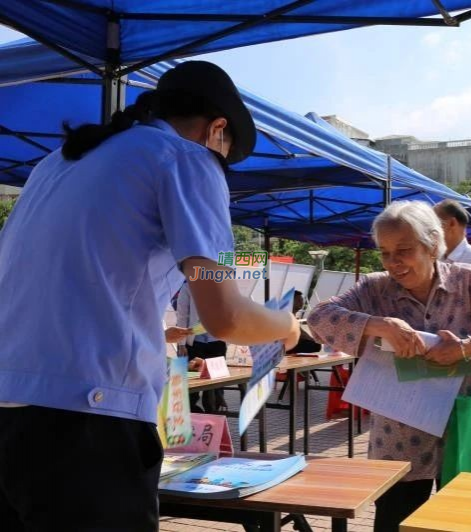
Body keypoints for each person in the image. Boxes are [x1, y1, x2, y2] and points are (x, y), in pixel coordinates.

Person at [0, 61, 301, 530]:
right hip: (87, 419)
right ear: (216, 129)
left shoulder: (55, 163)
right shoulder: (186, 157)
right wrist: (288, 326)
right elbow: (226, 316)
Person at [306, 201, 471, 532]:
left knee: (462, 524)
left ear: (431, 245)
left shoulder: (468, 281)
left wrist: (466, 348)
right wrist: (379, 324)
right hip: (399, 441)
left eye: (404, 250)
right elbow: (318, 319)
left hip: (463, 432)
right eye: (385, 252)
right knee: (393, 524)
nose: (393, 262)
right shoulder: (374, 288)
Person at [176, 281, 228, 413]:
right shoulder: (188, 285)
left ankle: (213, 422)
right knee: (190, 390)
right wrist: (181, 344)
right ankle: (196, 420)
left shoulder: (224, 283)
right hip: (194, 343)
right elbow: (182, 315)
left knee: (215, 388)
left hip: (218, 343)